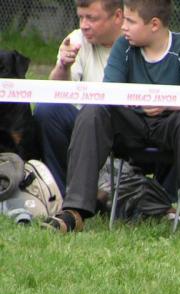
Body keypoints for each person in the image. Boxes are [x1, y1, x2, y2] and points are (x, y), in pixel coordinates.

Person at [42, 0, 180, 238]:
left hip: (170, 126)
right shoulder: (123, 46)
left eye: (130, 21)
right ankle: (75, 211)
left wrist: (166, 102)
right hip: (129, 126)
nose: (123, 26)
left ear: (154, 24)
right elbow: (109, 92)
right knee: (94, 110)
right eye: (123, 19)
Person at [34, 0, 124, 195]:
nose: (84, 25)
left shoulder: (135, 39)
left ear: (117, 17)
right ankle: (61, 193)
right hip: (86, 124)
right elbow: (54, 92)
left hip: (128, 127)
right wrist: (63, 66)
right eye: (81, 17)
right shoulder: (76, 39)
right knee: (47, 109)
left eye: (91, 18)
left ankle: (162, 203)